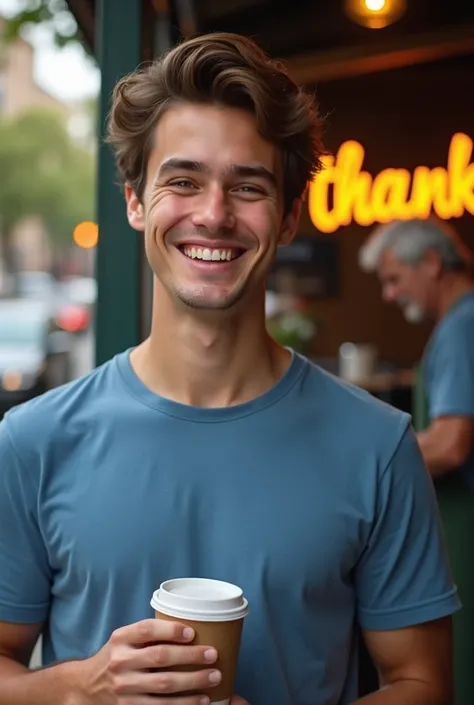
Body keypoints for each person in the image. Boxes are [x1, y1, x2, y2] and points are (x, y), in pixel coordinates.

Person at [0, 34, 460, 705]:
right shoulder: (33, 441)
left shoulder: (378, 446)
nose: (213, 214)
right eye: (182, 181)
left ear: (288, 215)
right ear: (135, 200)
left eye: (248, 186)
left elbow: (425, 682)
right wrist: (84, 685)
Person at [359, 216, 474, 705]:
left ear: (430, 263)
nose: (388, 295)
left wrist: (364, 468)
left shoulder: (462, 327)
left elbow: (450, 442)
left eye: (393, 278)